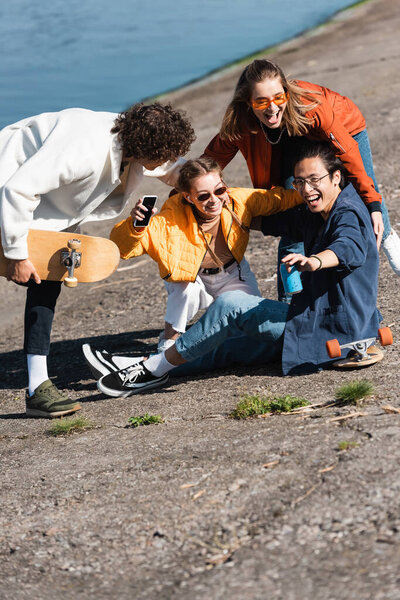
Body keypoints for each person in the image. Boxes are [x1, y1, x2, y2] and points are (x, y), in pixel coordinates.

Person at [85, 141, 383, 397]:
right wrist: (234, 214)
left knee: (231, 305)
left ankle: (151, 369)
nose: (306, 189)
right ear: (189, 198)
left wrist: (316, 261)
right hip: (317, 321)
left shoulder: (347, 213)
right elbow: (281, 221)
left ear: (336, 177)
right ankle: (143, 363)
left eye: (314, 180)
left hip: (335, 329)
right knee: (229, 347)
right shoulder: (316, 213)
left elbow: (349, 248)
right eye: (300, 182)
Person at [0, 102, 195, 417]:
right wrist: (16, 254)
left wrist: (205, 184)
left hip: (46, 207)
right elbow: (17, 190)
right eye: (163, 154)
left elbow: (172, 168)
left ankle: (38, 388)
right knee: (36, 273)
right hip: (8, 188)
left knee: (49, 279)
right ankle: (38, 387)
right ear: (146, 149)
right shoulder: (82, 151)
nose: (165, 160)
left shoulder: (132, 140)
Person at [203, 58, 400, 298]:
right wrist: (184, 195)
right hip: (291, 148)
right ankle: (288, 304)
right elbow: (208, 164)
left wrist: (373, 205)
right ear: (248, 102)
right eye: (261, 101)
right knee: (293, 219)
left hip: (344, 128)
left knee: (367, 197)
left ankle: (389, 237)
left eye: (278, 97)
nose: (272, 108)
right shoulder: (241, 123)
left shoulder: (312, 106)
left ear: (286, 92)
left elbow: (347, 153)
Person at [104, 157, 302, 354]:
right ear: (188, 197)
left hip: (233, 274)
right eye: (203, 196)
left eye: (219, 190)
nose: (214, 200)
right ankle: (169, 342)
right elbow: (123, 249)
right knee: (185, 289)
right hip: (193, 277)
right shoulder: (169, 220)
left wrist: (313, 193)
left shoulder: (238, 200)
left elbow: (278, 200)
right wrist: (135, 226)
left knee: (250, 324)